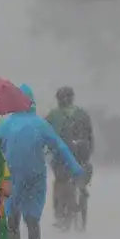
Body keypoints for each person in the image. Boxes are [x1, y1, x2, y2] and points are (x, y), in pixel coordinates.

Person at [0, 84, 83, 239]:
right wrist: (75, 167)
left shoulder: (7, 124)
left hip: (11, 178)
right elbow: (60, 147)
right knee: (32, 220)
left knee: (12, 220)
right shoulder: (41, 125)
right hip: (35, 177)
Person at [45, 86, 95, 230]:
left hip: (61, 158)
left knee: (60, 183)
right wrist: (88, 153)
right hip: (80, 157)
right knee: (81, 182)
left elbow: (45, 135)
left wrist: (48, 151)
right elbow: (90, 137)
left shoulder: (53, 115)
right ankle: (80, 215)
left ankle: (61, 214)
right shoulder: (82, 114)